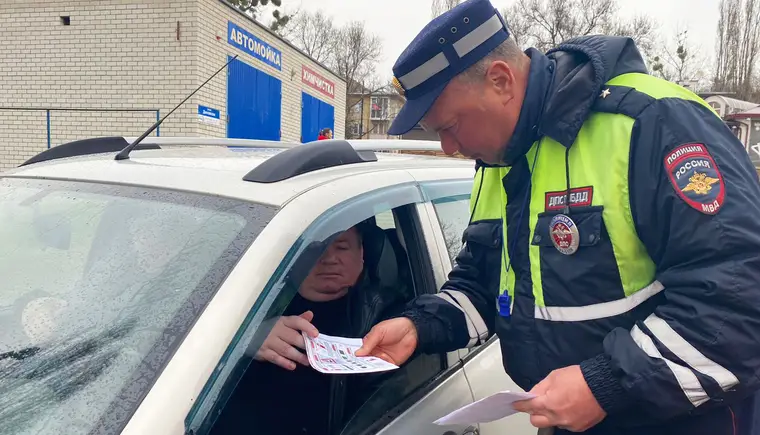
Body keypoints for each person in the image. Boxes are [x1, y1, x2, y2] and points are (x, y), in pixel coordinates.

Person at [355, 1, 760, 434]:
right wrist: (418, 326)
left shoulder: (650, 124)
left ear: (500, 80)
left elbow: (740, 301)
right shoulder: (500, 160)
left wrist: (605, 385)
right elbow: (485, 283)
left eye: (450, 126)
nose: (449, 148)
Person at [210, 223, 410, 435]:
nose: (329, 258)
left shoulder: (389, 318)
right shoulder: (245, 308)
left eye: (341, 247)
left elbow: (386, 402)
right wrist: (243, 339)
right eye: (316, 248)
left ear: (362, 254)